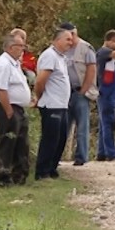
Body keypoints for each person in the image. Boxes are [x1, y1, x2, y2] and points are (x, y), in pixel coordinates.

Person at [0, 34, 32, 187]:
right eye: (20, 46)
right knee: (7, 141)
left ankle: (19, 174)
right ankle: (4, 176)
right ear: (10, 47)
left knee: (21, 142)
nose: (23, 49)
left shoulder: (14, 64)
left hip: (18, 108)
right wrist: (8, 111)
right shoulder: (3, 64)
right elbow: (1, 89)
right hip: (8, 107)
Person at [34, 28, 73, 181]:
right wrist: (40, 96)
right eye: (67, 39)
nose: (71, 42)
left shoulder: (61, 57)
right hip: (51, 105)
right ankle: (42, 171)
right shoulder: (50, 56)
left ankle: (52, 168)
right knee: (51, 139)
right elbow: (40, 81)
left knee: (61, 138)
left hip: (61, 104)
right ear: (57, 40)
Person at [59, 22, 98, 166]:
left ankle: (81, 157)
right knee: (63, 126)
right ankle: (58, 156)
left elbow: (92, 70)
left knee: (82, 127)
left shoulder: (86, 48)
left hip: (80, 90)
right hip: (65, 92)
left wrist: (84, 90)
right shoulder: (63, 49)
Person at [95, 29, 115, 162]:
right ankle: (111, 152)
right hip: (106, 93)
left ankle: (102, 151)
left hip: (109, 92)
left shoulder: (108, 55)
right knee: (109, 122)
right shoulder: (104, 52)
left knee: (104, 122)